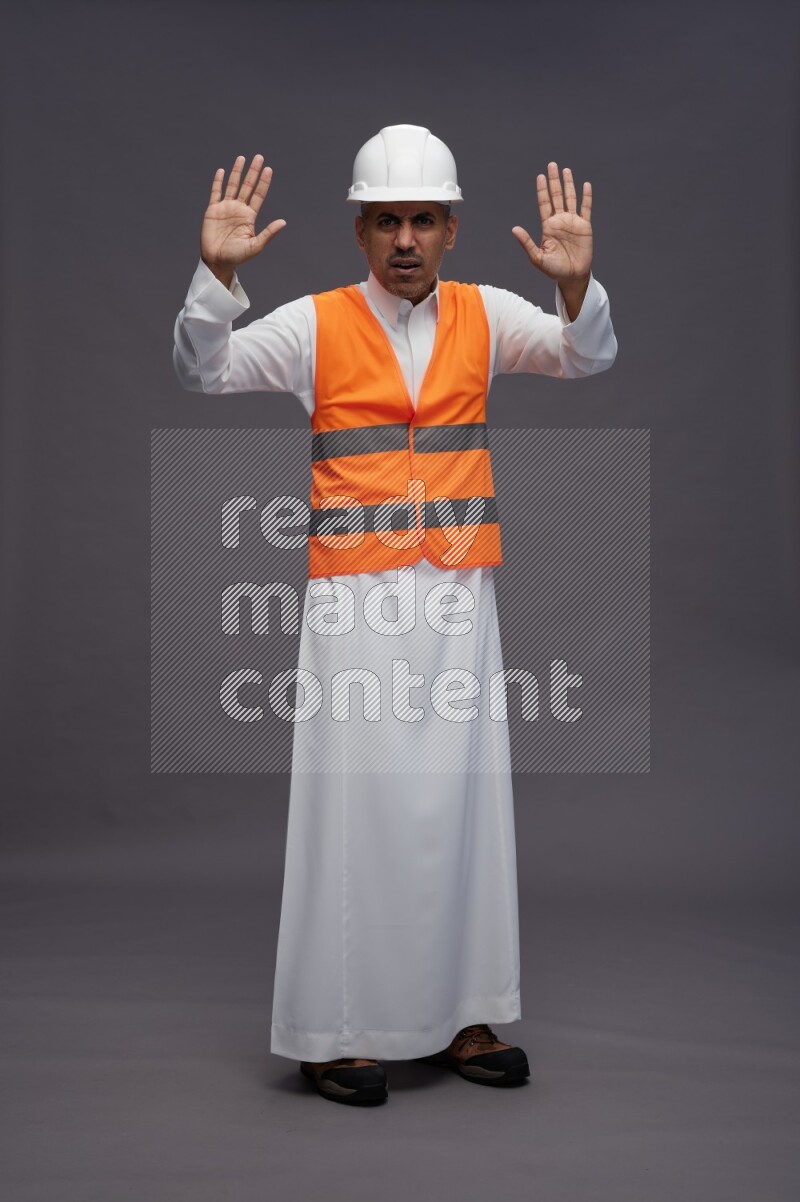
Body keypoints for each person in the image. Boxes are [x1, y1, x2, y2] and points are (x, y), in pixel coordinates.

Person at [173, 124, 617, 1106]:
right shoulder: (313, 325)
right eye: (385, 221)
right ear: (359, 230)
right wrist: (214, 279)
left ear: (451, 229)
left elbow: (585, 356)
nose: (404, 237)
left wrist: (576, 288)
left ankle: (462, 1008)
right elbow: (203, 370)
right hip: (355, 600)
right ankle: (332, 1030)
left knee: (461, 802)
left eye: (422, 218)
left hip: (459, 598)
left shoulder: (488, 315)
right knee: (354, 805)